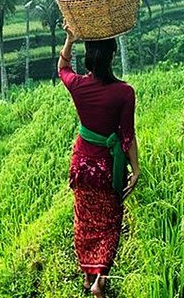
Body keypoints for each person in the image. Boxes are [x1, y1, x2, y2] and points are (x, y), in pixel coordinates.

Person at [57, 24, 140, 298]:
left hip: (82, 165)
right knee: (110, 221)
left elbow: (63, 69)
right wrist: (136, 169)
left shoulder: (79, 86)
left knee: (85, 220)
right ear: (112, 56)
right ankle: (99, 280)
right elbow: (127, 135)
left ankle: (86, 275)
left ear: (90, 58)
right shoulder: (125, 92)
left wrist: (69, 39)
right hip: (106, 169)